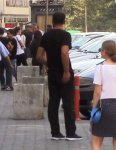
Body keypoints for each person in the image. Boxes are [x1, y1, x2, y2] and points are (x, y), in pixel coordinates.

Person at [36, 12, 82, 141]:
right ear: (64, 22)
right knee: (67, 102)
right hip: (63, 71)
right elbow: (64, 52)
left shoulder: (46, 35)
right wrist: (66, 71)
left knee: (53, 102)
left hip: (52, 72)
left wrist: (48, 64)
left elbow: (39, 56)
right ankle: (70, 133)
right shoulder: (65, 35)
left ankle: (55, 132)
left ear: (52, 20)